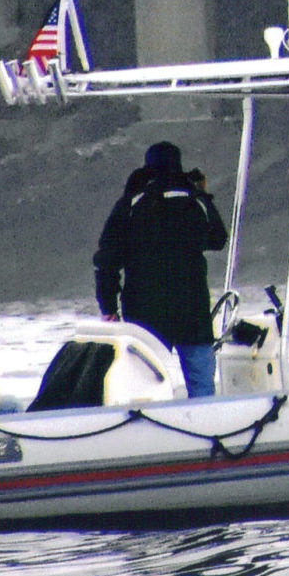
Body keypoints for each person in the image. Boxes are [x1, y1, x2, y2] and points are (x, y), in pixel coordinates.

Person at [93, 140, 230, 398]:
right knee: (201, 385)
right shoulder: (194, 200)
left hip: (145, 310)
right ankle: (208, 429)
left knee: (148, 386)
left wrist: (108, 307)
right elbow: (218, 239)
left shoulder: (131, 204)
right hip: (192, 309)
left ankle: (155, 431)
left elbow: (106, 260)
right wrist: (202, 193)